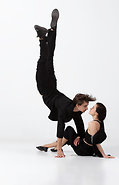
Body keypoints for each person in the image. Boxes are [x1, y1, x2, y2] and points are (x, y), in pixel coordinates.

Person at [34, 9, 96, 158]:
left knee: (49, 58)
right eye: (85, 106)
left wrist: (80, 137)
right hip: (46, 88)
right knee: (44, 60)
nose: (87, 109)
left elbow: (80, 127)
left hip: (52, 86)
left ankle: (52, 30)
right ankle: (43, 37)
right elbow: (60, 126)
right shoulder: (66, 108)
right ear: (78, 105)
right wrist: (60, 149)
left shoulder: (75, 110)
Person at [41, 102, 115, 158]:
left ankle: (56, 147)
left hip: (83, 150)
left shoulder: (92, 124)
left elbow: (96, 141)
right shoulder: (99, 123)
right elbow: (91, 138)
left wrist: (103, 154)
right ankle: (47, 146)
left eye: (93, 108)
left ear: (97, 113)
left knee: (69, 130)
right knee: (67, 137)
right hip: (86, 147)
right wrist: (80, 137)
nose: (90, 108)